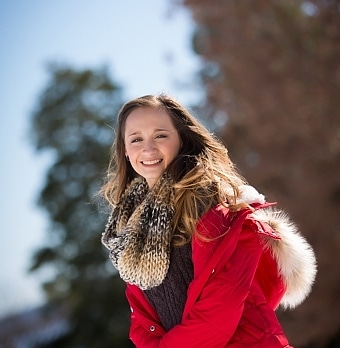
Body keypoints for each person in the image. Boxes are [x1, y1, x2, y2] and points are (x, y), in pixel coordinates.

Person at [101, 94, 317, 348]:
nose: (148, 149)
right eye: (136, 139)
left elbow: (217, 317)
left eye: (160, 135)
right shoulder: (132, 229)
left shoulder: (216, 207)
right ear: (125, 151)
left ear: (181, 139)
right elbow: (142, 320)